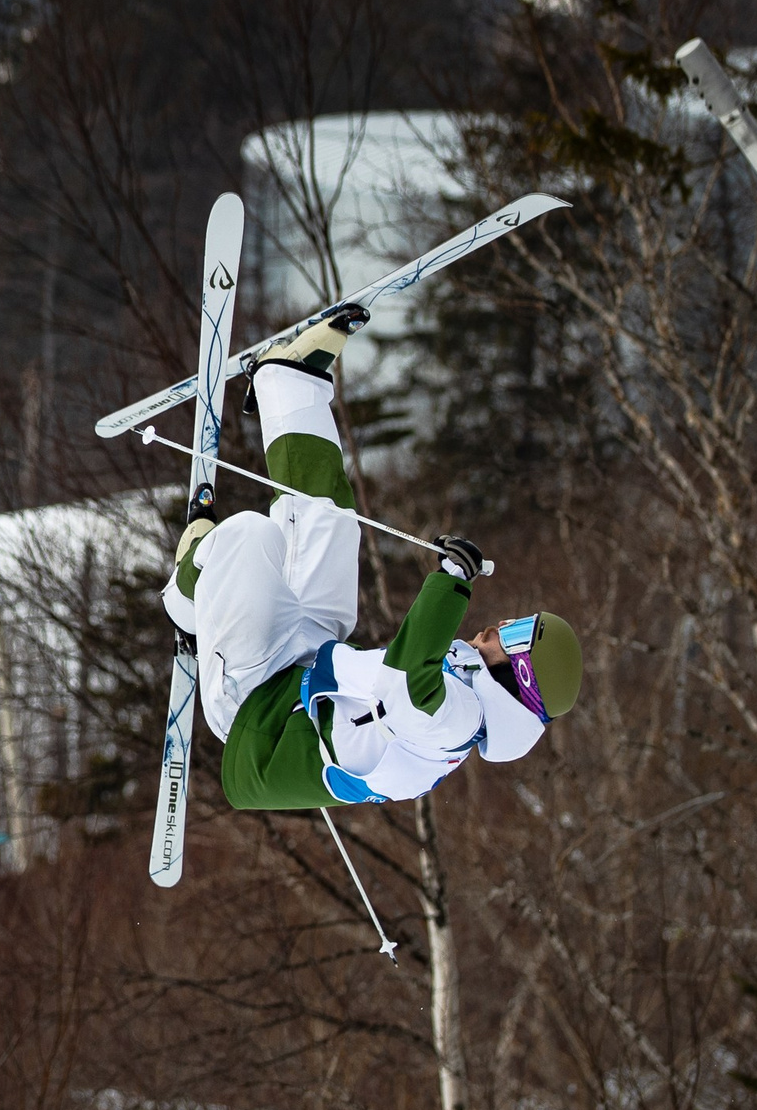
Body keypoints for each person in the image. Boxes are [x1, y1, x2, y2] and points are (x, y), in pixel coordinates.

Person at [161, 304, 582, 811]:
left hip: (255, 705)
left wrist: (451, 582)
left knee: (251, 538)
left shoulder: (457, 725)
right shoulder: (467, 697)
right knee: (332, 525)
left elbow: (405, 681)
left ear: (521, 679)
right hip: (306, 662)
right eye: (513, 621)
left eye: (512, 637)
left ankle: (186, 597)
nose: (495, 629)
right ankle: (288, 381)